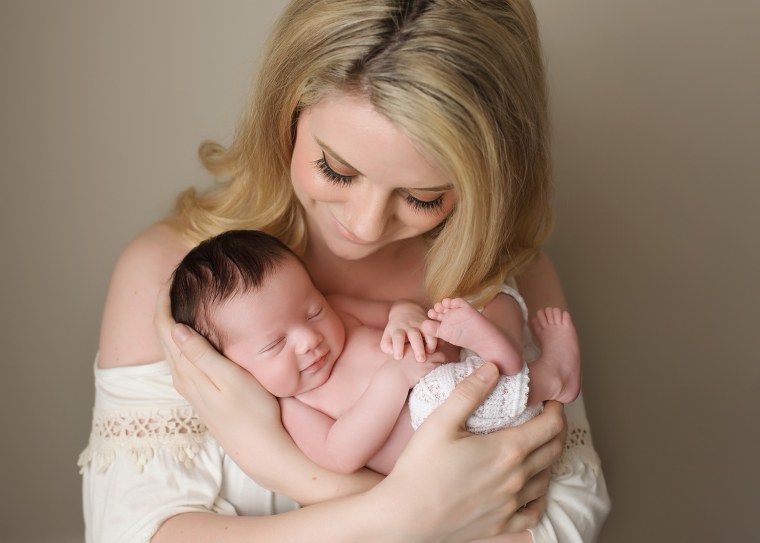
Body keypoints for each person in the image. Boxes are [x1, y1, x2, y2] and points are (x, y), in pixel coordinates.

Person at [79, 1, 611, 541]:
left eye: (422, 197)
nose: (366, 224)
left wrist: (284, 467)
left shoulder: (503, 275)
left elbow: (564, 519)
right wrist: (407, 515)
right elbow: (130, 532)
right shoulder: (174, 285)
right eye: (336, 169)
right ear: (285, 116)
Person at [169, 229, 581, 475]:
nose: (307, 339)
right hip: (446, 435)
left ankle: (497, 349)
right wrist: (394, 379)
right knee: (452, 393)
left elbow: (395, 309)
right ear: (230, 366)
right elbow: (339, 454)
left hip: (466, 373)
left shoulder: (341, 310)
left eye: (312, 311)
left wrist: (404, 318)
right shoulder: (292, 404)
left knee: (499, 302)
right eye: (275, 344)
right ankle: (552, 376)